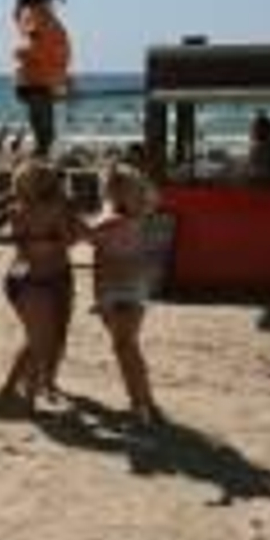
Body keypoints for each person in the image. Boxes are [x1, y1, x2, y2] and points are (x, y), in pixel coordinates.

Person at [0, 162, 78, 413]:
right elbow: (67, 240)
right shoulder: (53, 209)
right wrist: (50, 240)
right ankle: (28, 398)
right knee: (42, 340)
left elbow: (29, 247)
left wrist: (43, 242)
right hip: (41, 278)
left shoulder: (19, 210)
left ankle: (13, 389)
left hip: (31, 276)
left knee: (39, 339)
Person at [89, 164, 162, 425]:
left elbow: (86, 236)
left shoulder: (116, 219)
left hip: (120, 289)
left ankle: (140, 405)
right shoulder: (134, 215)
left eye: (118, 187)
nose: (114, 191)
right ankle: (146, 402)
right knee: (128, 347)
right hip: (125, 288)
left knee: (124, 347)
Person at [12, 0, 73, 157]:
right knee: (45, 134)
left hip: (43, 80)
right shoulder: (34, 14)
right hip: (35, 81)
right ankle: (37, 164)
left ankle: (40, 160)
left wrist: (64, 78)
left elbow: (46, 46)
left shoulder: (42, 14)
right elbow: (34, 42)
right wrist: (28, 52)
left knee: (46, 133)